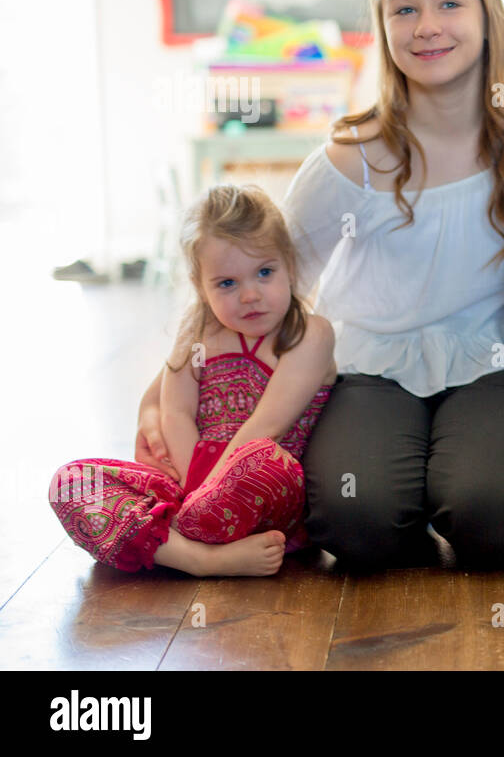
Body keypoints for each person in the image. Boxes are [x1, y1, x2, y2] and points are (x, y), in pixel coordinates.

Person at [135, 0, 504, 569]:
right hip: (371, 363)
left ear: (485, 12)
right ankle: (406, 500)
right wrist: (162, 385)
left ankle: (456, 483)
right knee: (355, 521)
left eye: (449, 2)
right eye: (404, 9)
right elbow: (262, 270)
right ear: (383, 26)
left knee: (489, 516)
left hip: (494, 357)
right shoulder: (351, 158)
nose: (428, 25)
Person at [50, 185, 336, 576]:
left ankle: (163, 538)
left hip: (263, 494)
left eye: (265, 273)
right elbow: (176, 411)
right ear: (200, 285)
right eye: (227, 284)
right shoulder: (199, 331)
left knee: (262, 460)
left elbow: (266, 426)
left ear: (290, 265)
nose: (250, 295)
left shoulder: (310, 335)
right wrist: (191, 487)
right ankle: (200, 558)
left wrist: (211, 489)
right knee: (70, 482)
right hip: (188, 485)